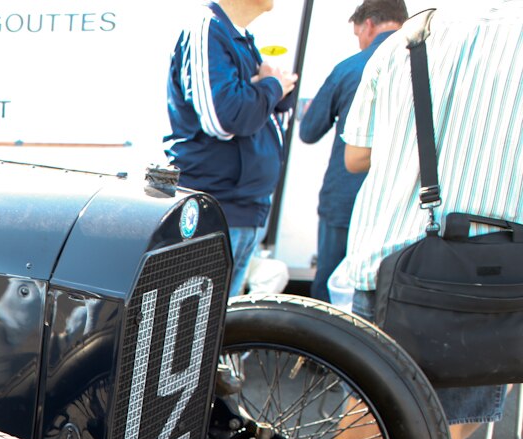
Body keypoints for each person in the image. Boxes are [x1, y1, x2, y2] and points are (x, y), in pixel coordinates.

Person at [340, 0, 523, 439]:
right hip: (493, 267)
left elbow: (355, 155)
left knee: (369, 400)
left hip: (393, 252)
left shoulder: (405, 39)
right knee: (459, 410)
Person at [166, 1, 298, 297]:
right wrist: (272, 86)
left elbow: (256, 109)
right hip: (215, 208)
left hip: (245, 208)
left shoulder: (239, 37)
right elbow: (224, 118)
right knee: (201, 326)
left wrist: (270, 89)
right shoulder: (207, 30)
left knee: (223, 323)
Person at [297, 0, 407, 302]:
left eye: (358, 33)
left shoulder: (350, 69)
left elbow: (308, 131)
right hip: (400, 206)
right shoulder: (428, 68)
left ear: (369, 24)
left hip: (345, 199)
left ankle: (316, 350)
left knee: (328, 289)